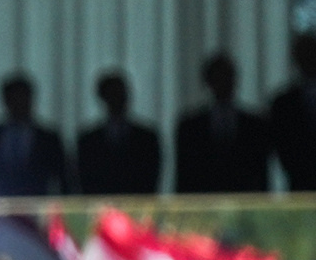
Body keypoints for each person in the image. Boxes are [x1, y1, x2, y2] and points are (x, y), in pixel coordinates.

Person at [174, 53, 272, 194]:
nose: (223, 83)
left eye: (227, 77)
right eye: (218, 78)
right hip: (204, 202)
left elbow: (262, 176)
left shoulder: (256, 125)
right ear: (208, 82)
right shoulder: (190, 127)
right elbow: (184, 176)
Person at [0, 73, 68, 197]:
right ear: (5, 100)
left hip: (38, 205)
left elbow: (63, 178)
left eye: (22, 98)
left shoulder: (48, 138)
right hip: (0, 204)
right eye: (13, 98)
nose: (18, 103)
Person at [76, 71, 162, 196]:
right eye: (112, 94)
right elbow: (85, 181)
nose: (117, 99)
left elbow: (151, 180)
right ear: (103, 98)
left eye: (120, 94)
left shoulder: (147, 138)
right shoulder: (88, 141)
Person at [267, 31, 316, 191]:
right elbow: (282, 148)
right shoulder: (283, 103)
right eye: (304, 54)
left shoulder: (282, 102)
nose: (309, 59)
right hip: (299, 185)